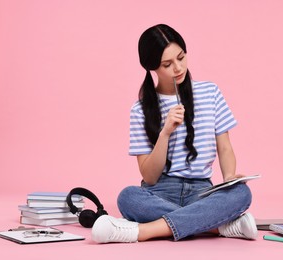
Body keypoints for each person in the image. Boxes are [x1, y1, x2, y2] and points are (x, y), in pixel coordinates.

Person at [91, 24, 258, 243]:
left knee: (241, 193)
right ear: (152, 67)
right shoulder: (140, 109)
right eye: (167, 64)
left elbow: (225, 147)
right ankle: (216, 226)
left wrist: (228, 179)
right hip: (159, 190)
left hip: (202, 191)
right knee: (128, 197)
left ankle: (140, 232)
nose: (178, 68)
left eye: (181, 57)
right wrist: (165, 133)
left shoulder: (210, 92)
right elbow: (149, 176)